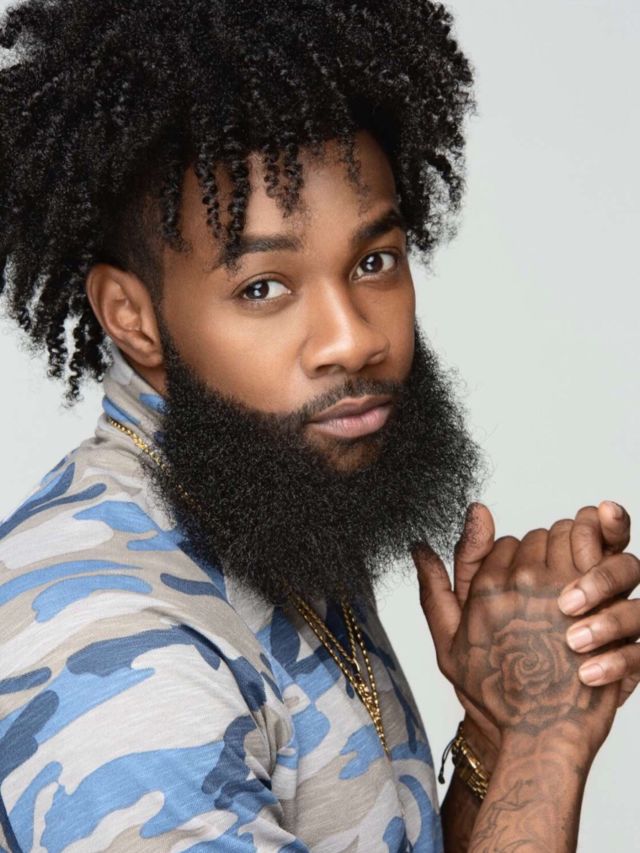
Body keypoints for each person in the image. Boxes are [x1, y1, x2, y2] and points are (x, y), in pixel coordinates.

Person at [0, 0, 638, 850]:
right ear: (132, 315)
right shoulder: (107, 637)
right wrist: (546, 744)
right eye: (263, 287)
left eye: (373, 262)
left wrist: (497, 732)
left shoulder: (264, 499)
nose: (354, 339)